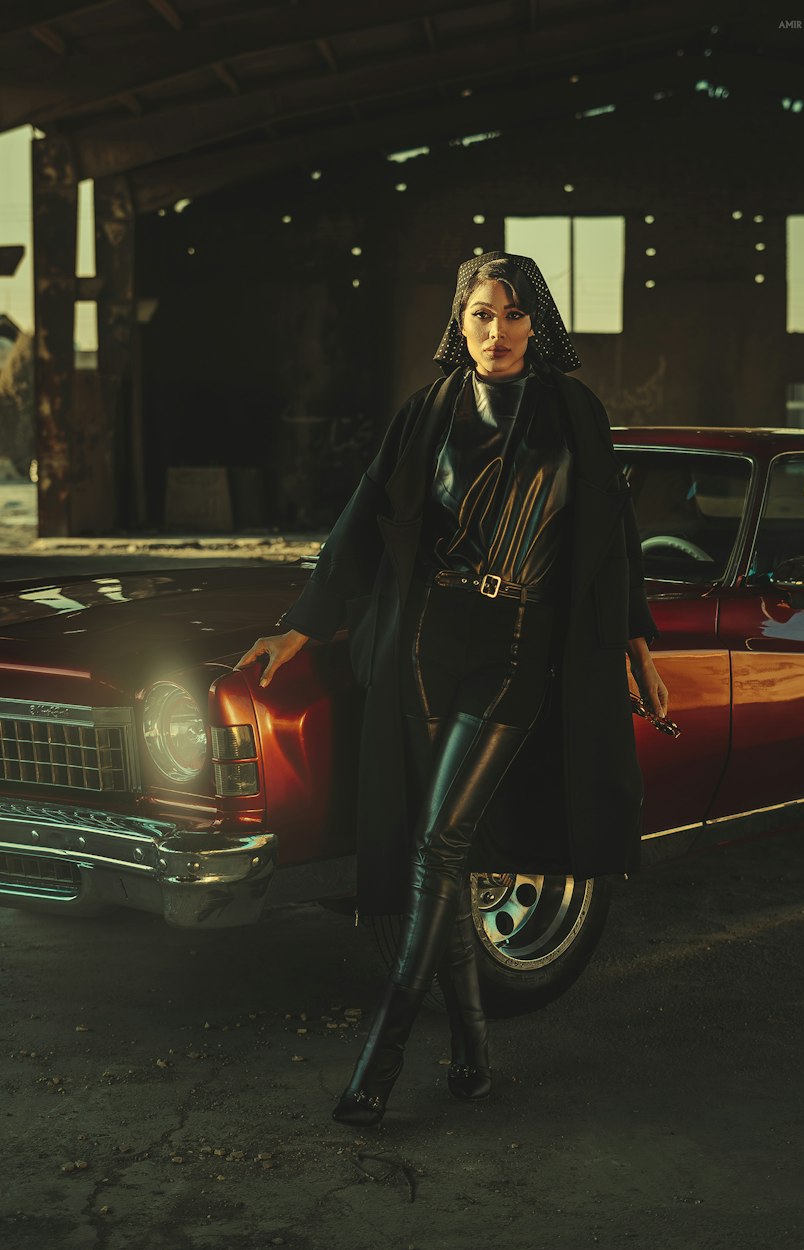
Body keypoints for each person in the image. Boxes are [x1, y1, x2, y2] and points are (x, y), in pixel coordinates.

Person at [235, 252, 668, 1127]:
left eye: (512, 315)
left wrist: (636, 641)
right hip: (425, 644)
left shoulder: (573, 410)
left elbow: (612, 534)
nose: (497, 332)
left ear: (536, 322)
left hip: (516, 648)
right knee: (450, 853)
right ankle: (472, 1056)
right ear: (458, 322)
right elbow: (362, 518)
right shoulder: (427, 410)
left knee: (437, 844)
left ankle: (382, 1055)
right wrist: (300, 623)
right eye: (480, 314)